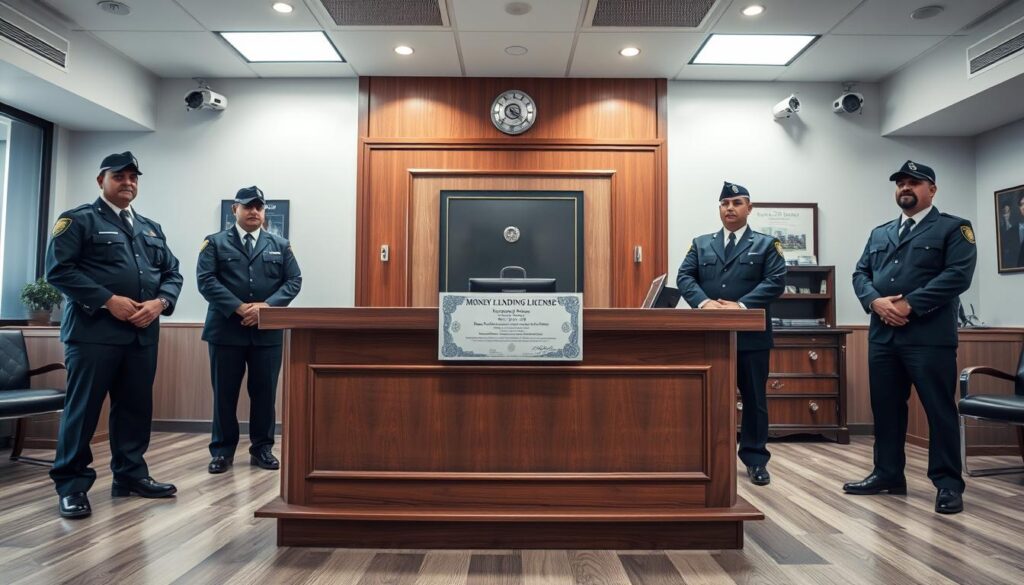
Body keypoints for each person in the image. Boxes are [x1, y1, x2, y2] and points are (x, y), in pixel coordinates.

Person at [45, 151, 183, 519]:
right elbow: (59, 271)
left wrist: (160, 303)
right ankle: (71, 486)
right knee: (83, 411)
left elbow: (173, 272)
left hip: (141, 334)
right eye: (119, 176)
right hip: (94, 334)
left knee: (135, 409)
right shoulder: (78, 220)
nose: (128, 183)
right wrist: (108, 300)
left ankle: (130, 475)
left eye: (133, 177)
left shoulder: (150, 228)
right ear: (101, 181)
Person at [846, 160, 977, 514]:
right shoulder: (881, 232)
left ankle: (948, 484)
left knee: (939, 410)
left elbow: (958, 276)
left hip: (928, 337)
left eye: (914, 182)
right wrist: (874, 301)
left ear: (932, 189)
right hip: (883, 336)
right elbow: (860, 273)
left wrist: (909, 305)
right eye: (900, 183)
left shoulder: (954, 228)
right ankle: (888, 474)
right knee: (886, 409)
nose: (905, 187)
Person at [676, 181, 787, 486]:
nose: (730, 208)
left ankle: (755, 460)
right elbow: (685, 276)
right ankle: (706, 456)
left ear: (749, 208)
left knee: (754, 400)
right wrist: (704, 303)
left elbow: (775, 281)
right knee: (706, 397)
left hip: (751, 337)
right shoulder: (701, 244)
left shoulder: (767, 245)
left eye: (737, 203)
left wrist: (741, 305)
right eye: (725, 203)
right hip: (710, 336)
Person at [197, 186, 301, 474]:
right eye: (247, 206)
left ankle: (262, 449)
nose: (254, 211)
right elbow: (206, 280)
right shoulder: (215, 243)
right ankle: (222, 452)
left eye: (259, 207)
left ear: (264, 211)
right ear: (235, 210)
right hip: (225, 331)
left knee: (265, 394)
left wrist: (266, 307)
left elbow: (294, 281)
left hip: (266, 332)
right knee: (224, 394)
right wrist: (240, 308)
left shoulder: (280, 244)